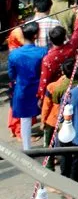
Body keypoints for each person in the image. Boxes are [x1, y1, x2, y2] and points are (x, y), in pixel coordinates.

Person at [7, 21, 43, 149]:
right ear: (35, 35)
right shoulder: (43, 52)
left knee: (25, 120)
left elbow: (11, 75)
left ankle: (27, 148)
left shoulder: (14, 54)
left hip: (22, 89)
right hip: (40, 90)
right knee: (48, 118)